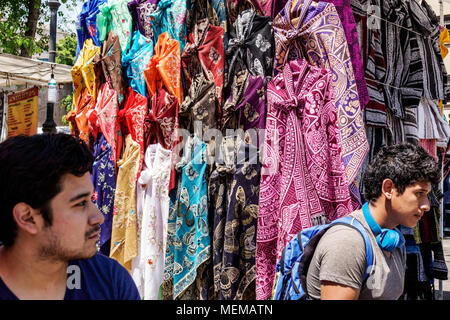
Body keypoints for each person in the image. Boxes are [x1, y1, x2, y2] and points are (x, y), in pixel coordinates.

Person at [0, 133, 140, 300]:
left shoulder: (111, 281)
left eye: (91, 199)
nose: (99, 217)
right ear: (27, 218)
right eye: (80, 203)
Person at [305, 142, 441, 300]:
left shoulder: (395, 240)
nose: (427, 206)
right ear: (389, 189)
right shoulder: (347, 243)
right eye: (419, 193)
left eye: (427, 195)